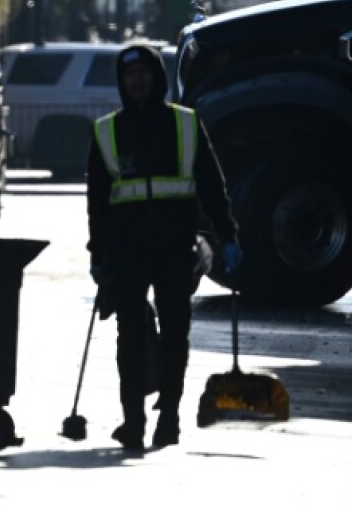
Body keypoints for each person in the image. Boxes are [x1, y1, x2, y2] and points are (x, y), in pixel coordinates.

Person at [86, 42, 241, 451]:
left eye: (144, 73)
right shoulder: (107, 131)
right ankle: (133, 421)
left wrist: (227, 235)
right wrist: (97, 254)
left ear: (157, 77)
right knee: (130, 336)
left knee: (175, 334)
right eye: (129, 75)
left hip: (174, 248)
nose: (137, 81)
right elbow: (97, 202)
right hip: (125, 251)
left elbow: (211, 183)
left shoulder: (186, 125)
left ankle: (168, 417)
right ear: (121, 82)